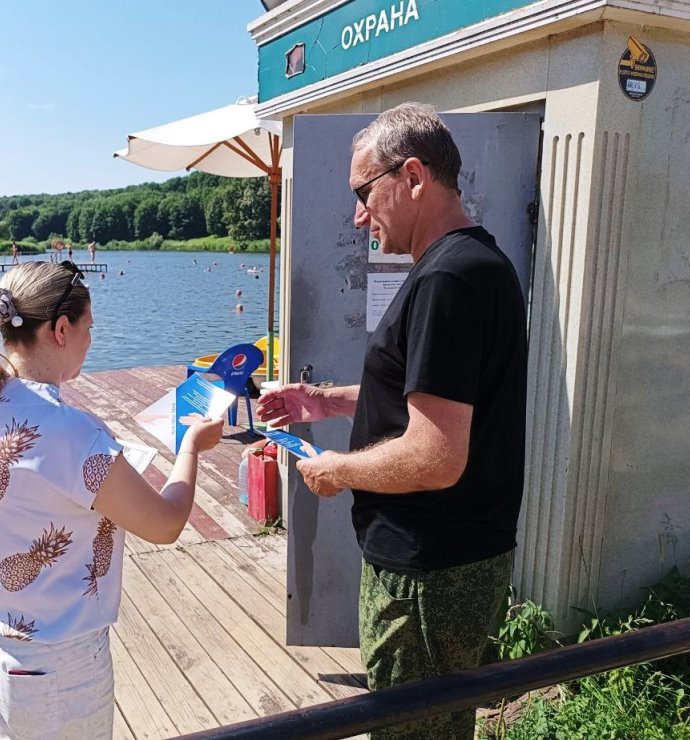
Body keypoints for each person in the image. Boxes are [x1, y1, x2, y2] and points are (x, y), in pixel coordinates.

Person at [256, 103, 528, 740]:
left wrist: (337, 471)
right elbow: (428, 398)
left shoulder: (449, 279)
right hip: (449, 565)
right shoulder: (473, 266)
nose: (356, 213)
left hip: (426, 579)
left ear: (411, 176)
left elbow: (436, 455)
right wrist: (322, 402)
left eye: (362, 190)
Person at [0, 261, 223, 739]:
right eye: (88, 327)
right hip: (53, 671)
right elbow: (166, 523)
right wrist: (191, 445)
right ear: (61, 330)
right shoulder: (68, 432)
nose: (91, 340)